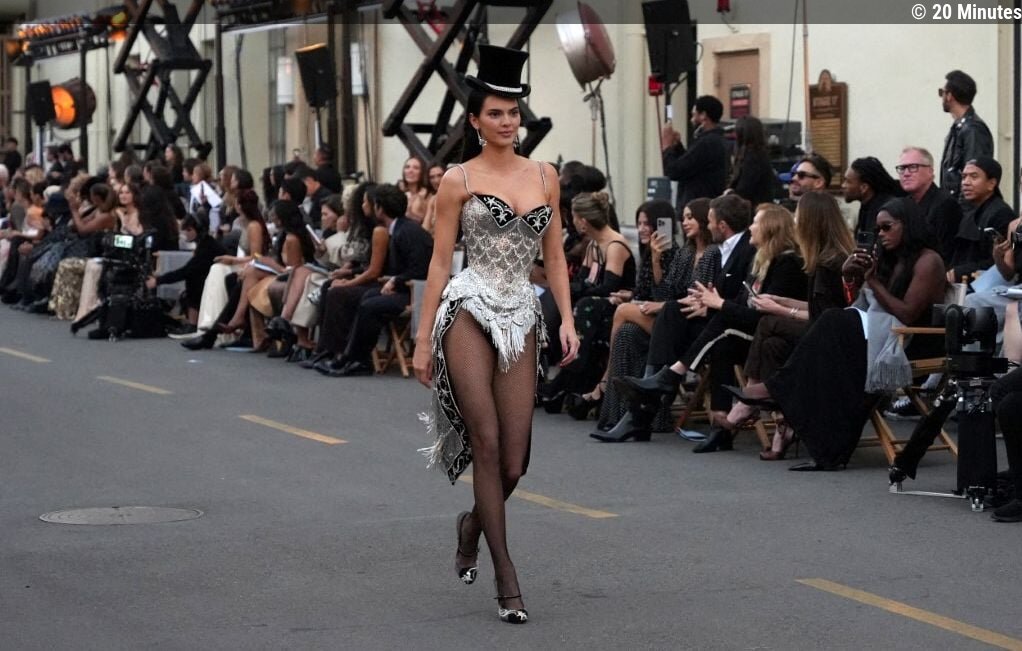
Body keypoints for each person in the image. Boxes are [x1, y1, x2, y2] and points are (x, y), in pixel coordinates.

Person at [412, 45, 579, 625]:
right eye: (496, 113)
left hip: (522, 312)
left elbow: (554, 257)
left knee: (514, 463)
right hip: (468, 306)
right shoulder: (457, 180)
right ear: (475, 120)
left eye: (513, 113)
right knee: (485, 440)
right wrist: (421, 339)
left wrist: (568, 319)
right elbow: (440, 263)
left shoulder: (545, 175)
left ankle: (472, 525)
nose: (508, 122)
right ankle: (506, 576)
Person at [731, 197, 947, 470]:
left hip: (912, 341)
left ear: (908, 224)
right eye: (877, 229)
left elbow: (906, 314)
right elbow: (862, 304)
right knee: (817, 334)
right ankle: (820, 441)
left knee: (831, 321)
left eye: (887, 227)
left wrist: (870, 279)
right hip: (882, 333)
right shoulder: (892, 259)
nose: (881, 234)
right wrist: (850, 278)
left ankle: (777, 390)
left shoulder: (929, 261)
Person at [605, 203, 807, 447]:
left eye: (756, 222)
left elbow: (766, 317)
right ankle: (660, 392)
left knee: (716, 325)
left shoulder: (785, 263)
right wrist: (709, 301)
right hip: (731, 328)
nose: (751, 227)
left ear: (770, 228)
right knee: (672, 313)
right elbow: (669, 293)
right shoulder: (756, 258)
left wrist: (718, 304)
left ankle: (662, 383)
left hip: (764, 335)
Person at [724, 191, 855, 459]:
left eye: (798, 217)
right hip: (822, 331)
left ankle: (750, 397)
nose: (794, 223)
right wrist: (782, 300)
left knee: (769, 322)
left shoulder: (832, 262)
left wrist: (782, 310)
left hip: (835, 338)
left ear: (812, 221)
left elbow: (829, 316)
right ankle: (784, 423)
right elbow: (817, 307)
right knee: (773, 344)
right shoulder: (821, 257)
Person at [147, 213, 226, 331]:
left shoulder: (207, 247)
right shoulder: (206, 244)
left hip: (215, 284)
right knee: (193, 278)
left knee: (193, 279)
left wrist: (158, 281)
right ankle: (192, 322)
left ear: (199, 230)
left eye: (189, 230)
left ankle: (193, 323)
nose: (185, 233)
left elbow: (186, 271)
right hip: (213, 281)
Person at [660, 95, 729, 210]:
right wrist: (677, 146)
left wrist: (666, 146)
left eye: (693, 115)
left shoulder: (707, 143)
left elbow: (674, 170)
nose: (691, 120)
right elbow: (690, 166)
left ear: (703, 115)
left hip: (697, 208)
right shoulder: (716, 140)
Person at [896, 146, 962, 265]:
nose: (906, 173)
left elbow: (945, 252)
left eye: (913, 167)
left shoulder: (945, 204)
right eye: (902, 168)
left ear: (930, 171)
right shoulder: (903, 204)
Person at [939, 70, 993, 203]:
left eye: (941, 92)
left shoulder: (973, 130)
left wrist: (965, 211)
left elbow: (975, 176)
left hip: (964, 208)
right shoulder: (960, 128)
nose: (941, 97)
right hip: (954, 206)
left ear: (949, 96)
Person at [843, 156, 901, 235]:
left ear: (864, 188)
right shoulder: (866, 207)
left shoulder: (885, 211)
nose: (843, 185)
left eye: (848, 181)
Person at [727, 116, 776, 206]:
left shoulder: (753, 158)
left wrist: (729, 193)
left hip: (754, 207)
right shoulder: (759, 155)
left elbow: (744, 189)